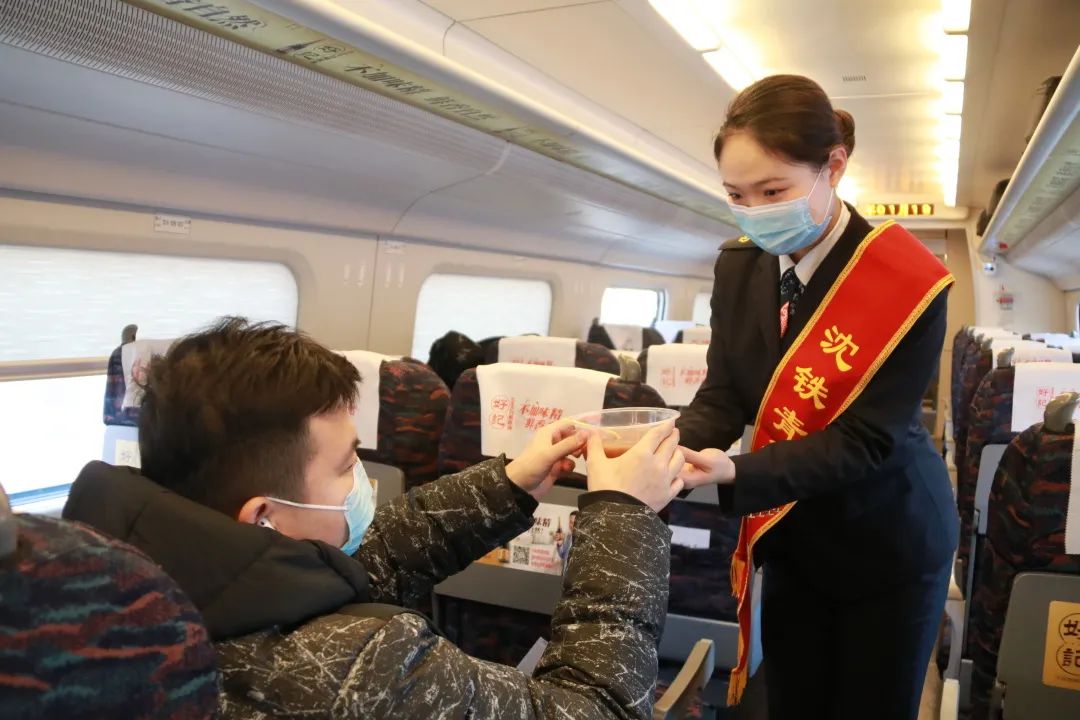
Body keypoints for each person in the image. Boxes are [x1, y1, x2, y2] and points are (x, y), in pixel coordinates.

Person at [64, 317, 686, 719]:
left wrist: (509, 482)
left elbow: (364, 567)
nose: (361, 478)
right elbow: (596, 709)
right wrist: (624, 516)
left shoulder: (111, 590)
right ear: (264, 518)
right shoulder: (362, 668)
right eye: (345, 466)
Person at [675, 75, 958, 720]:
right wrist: (661, 447)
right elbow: (724, 393)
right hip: (793, 533)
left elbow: (868, 439)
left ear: (833, 165)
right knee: (794, 701)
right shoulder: (739, 265)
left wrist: (735, 472)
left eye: (773, 191)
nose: (754, 211)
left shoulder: (906, 282)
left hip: (887, 538)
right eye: (736, 195)